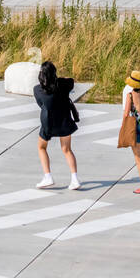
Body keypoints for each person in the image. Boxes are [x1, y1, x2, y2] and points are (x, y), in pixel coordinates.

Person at [34, 61, 81, 190]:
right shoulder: (63, 85)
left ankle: (48, 176)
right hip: (64, 121)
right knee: (67, 150)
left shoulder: (37, 89)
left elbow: (40, 104)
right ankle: (74, 179)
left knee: (42, 147)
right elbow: (71, 80)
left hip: (48, 123)